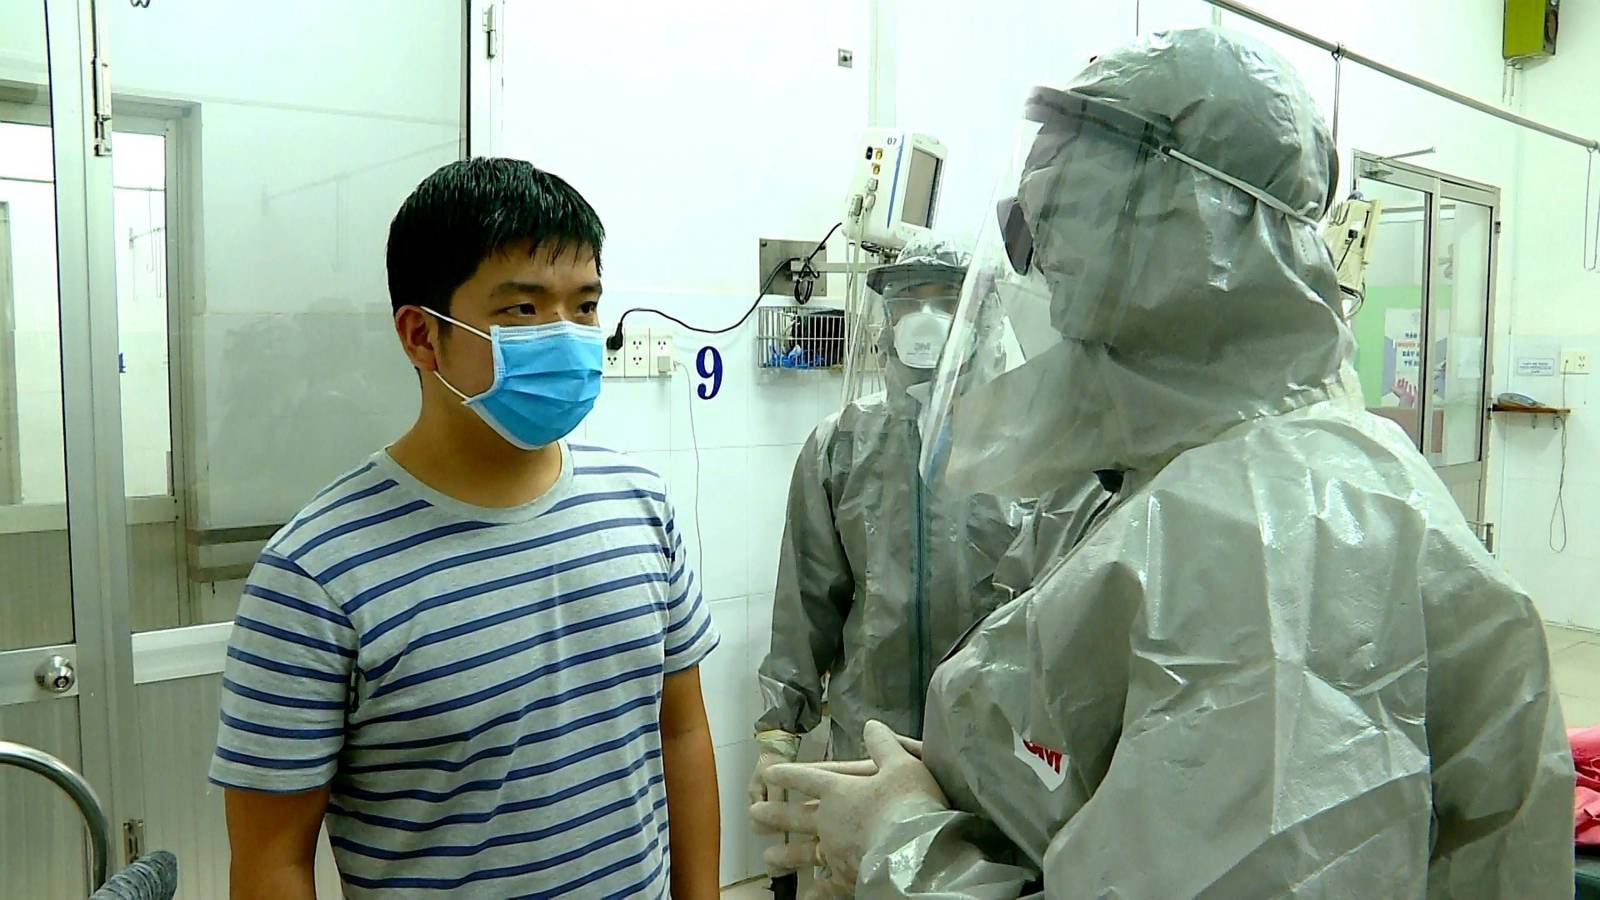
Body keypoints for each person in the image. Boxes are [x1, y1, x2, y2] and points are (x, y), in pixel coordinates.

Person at [753, 29, 1575, 897]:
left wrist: (897, 841)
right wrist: (937, 783)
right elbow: (1112, 775)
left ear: (1181, 242)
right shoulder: (1189, 480)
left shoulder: (1271, 543)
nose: (1043, 279)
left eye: (1063, 233)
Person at [209, 158, 721, 899]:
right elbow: (271, 859)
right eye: (521, 310)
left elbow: (681, 732)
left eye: (584, 307)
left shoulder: (640, 504)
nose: (567, 336)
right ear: (422, 336)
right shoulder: (315, 573)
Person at [750, 239, 1051, 896]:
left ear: (982, 315)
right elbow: (807, 601)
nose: (925, 318)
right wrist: (779, 732)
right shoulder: (840, 445)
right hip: (868, 747)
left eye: (945, 301)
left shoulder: (1031, 449)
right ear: (884, 317)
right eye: (908, 301)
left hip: (989, 751)